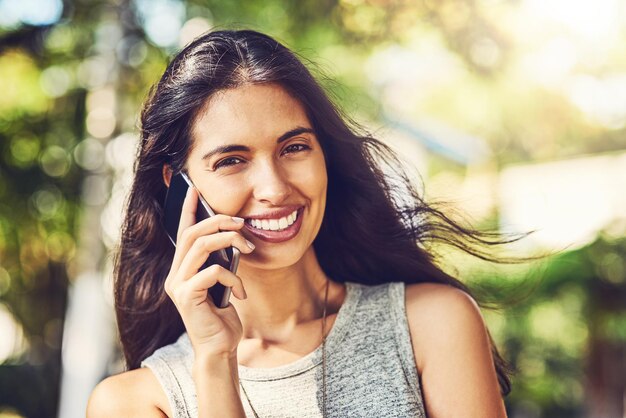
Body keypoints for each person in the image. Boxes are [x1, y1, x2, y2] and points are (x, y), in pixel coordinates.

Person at [87, 29, 516, 417]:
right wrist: (215, 361)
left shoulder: (432, 323)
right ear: (177, 184)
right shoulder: (134, 402)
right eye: (232, 160)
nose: (273, 189)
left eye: (293, 148)